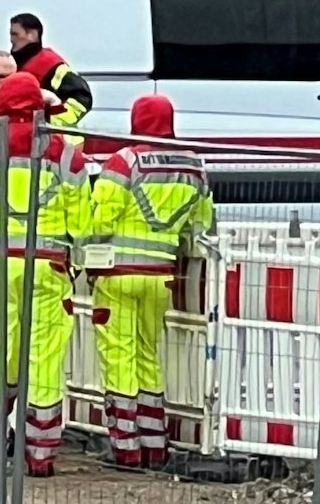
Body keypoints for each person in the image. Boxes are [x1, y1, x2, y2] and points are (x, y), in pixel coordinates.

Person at [0, 72, 90, 478]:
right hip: (47, 267)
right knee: (42, 360)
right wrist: (75, 262)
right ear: (41, 108)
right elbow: (83, 223)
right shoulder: (67, 155)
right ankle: (39, 455)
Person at [90, 94, 215, 470]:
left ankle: (126, 448)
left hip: (118, 274)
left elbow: (100, 220)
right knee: (148, 355)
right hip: (161, 275)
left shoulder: (125, 161)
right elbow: (201, 226)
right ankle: (155, 444)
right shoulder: (195, 165)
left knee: (118, 357)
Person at [9, 12, 93, 128]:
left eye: (15, 34)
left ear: (32, 35)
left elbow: (82, 99)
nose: (11, 39)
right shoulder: (10, 64)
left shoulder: (52, 66)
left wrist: (51, 121)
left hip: (49, 138)